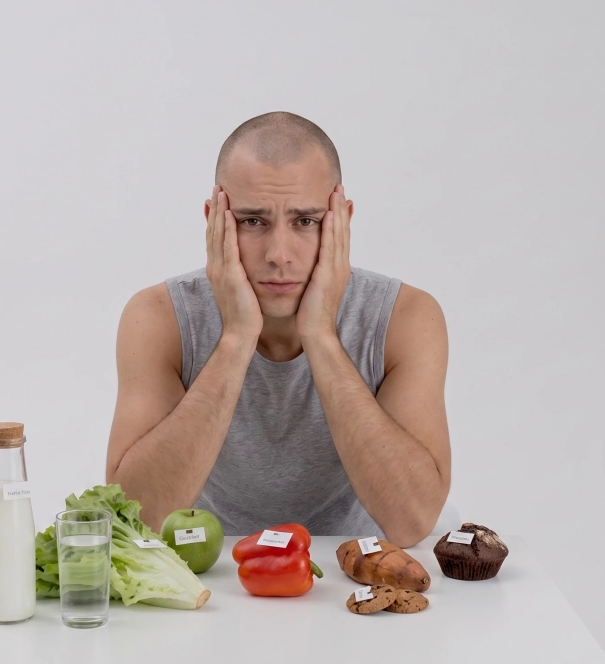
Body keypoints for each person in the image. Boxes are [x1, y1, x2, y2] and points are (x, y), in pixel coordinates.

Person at [106, 112, 451, 547]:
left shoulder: (407, 317)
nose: (279, 254)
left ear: (341, 220)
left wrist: (321, 335)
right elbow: (138, 519)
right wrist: (236, 338)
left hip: (358, 568)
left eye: (305, 221)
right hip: (210, 571)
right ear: (215, 220)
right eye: (253, 221)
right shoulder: (158, 316)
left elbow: (411, 521)